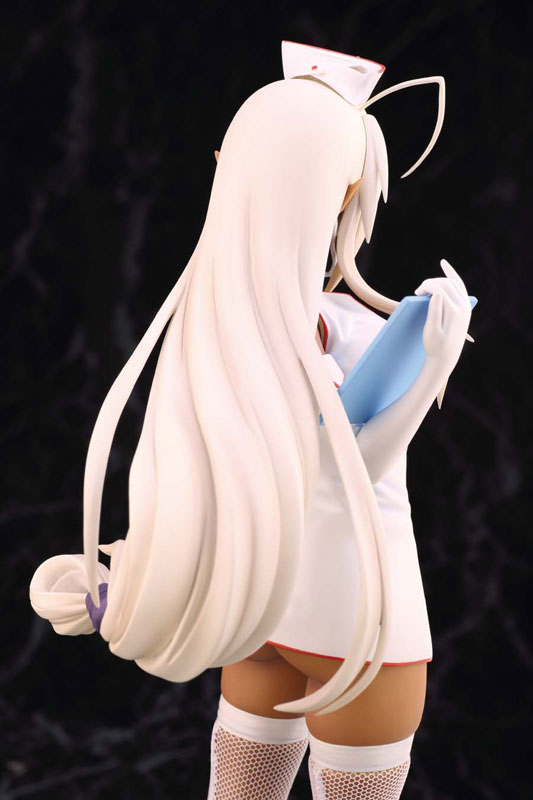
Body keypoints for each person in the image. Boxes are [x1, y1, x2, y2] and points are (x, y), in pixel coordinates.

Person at [29, 41, 474, 799]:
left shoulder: (223, 323)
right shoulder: (302, 328)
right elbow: (343, 473)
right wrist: (427, 373)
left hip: (264, 611)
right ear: (344, 191)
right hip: (359, 619)